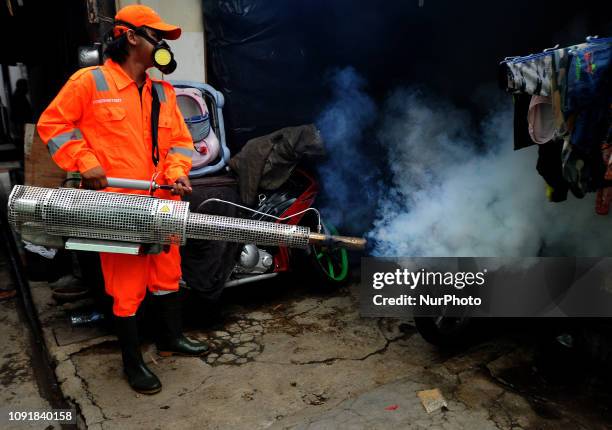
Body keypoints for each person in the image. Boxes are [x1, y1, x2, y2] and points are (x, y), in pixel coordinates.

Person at [36, 5, 207, 395]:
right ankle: (132, 363)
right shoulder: (90, 82)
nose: (162, 45)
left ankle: (170, 338)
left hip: (162, 200)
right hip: (118, 205)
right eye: (157, 37)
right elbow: (53, 124)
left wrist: (178, 172)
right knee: (127, 287)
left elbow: (180, 141)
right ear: (131, 37)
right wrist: (85, 161)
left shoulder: (163, 91)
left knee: (167, 276)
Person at [10, 78, 33, 151]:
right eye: (25, 86)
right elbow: (21, 113)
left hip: (22, 124)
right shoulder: (19, 97)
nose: (27, 88)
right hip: (23, 123)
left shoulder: (18, 95)